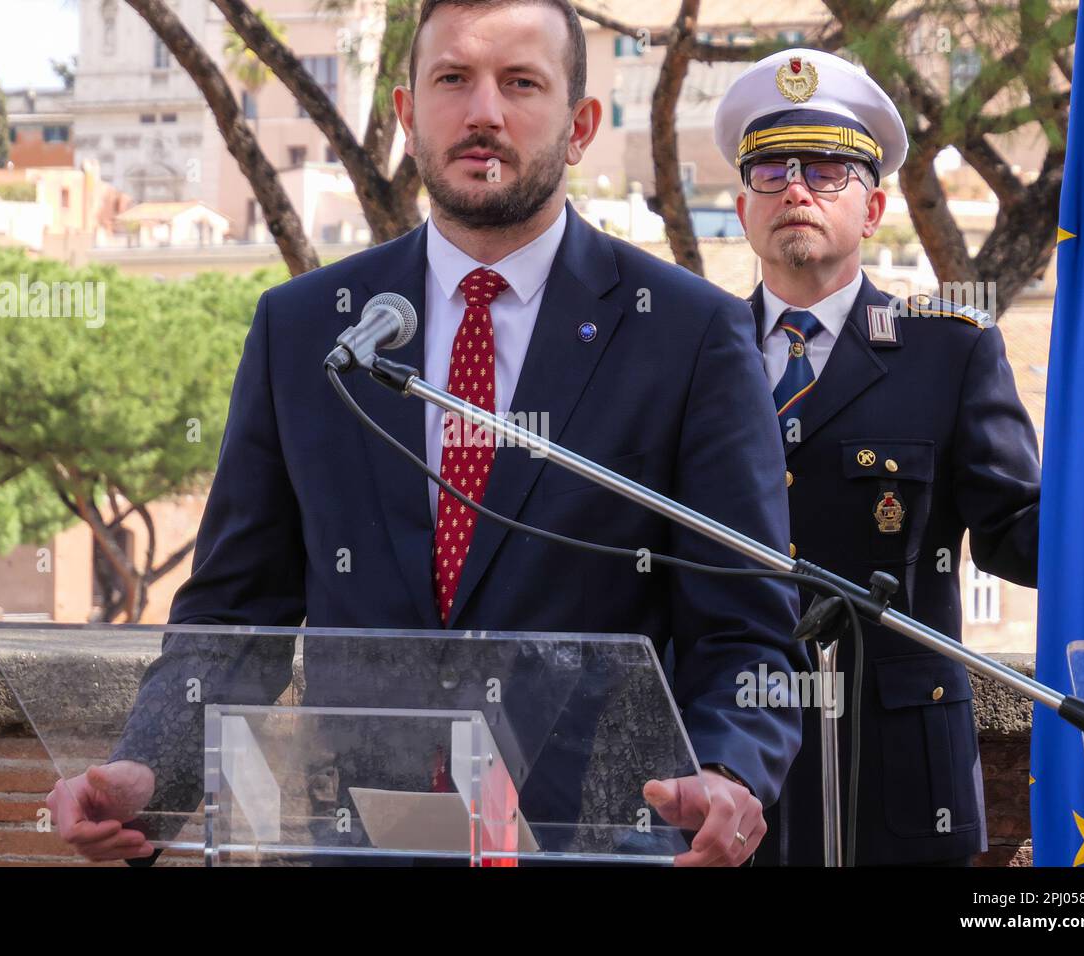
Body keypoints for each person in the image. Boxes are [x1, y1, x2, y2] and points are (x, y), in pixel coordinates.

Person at [48, 0, 806, 867]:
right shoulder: (306, 332)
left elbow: (744, 630)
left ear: (581, 125)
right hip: (356, 846)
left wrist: (724, 770)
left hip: (598, 848)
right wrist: (152, 769)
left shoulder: (686, 334)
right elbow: (234, 616)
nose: (483, 112)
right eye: (453, 80)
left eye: (522, 83)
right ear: (408, 116)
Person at [714, 48, 1041, 865]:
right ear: (743, 205)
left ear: (874, 208)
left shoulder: (948, 353)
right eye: (771, 171)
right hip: (724, 770)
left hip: (899, 778)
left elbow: (1018, 530)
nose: (796, 187)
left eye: (826, 171)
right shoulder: (688, 354)